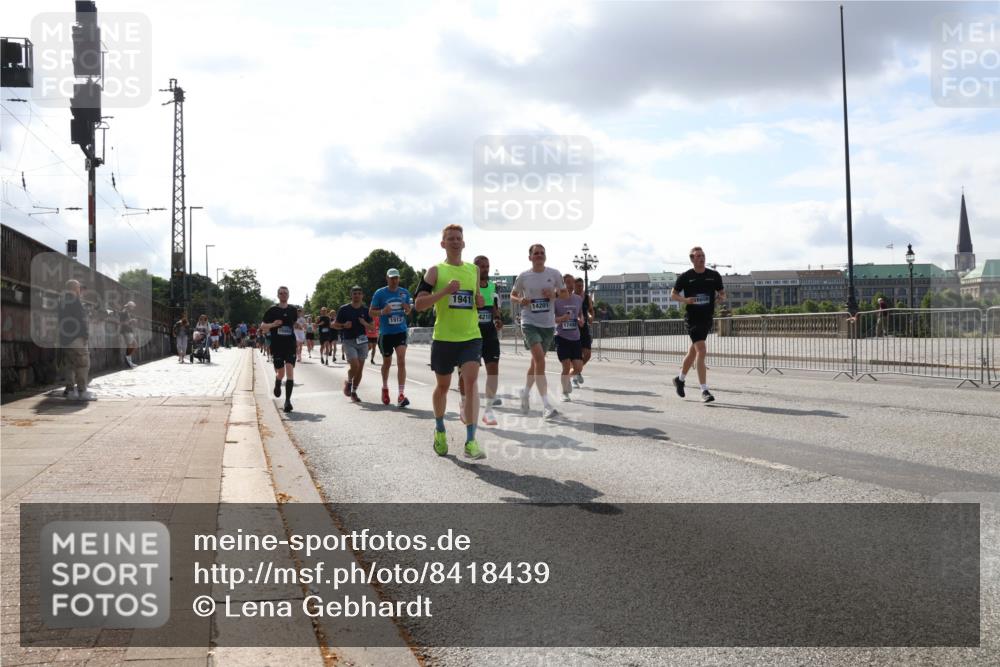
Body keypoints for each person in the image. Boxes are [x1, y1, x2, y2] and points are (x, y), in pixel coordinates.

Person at [414, 224, 485, 459]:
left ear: (463, 243)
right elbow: (419, 304)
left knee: (472, 383)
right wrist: (444, 292)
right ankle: (440, 429)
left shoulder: (473, 270)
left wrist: (478, 300)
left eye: (459, 238)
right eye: (450, 238)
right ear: (443, 244)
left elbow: (475, 299)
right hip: (444, 338)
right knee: (443, 386)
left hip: (470, 336)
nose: (455, 241)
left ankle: (471, 441)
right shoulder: (435, 271)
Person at [510, 243, 563, 419]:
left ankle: (525, 393)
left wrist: (554, 295)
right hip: (529, 322)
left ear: (545, 256)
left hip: (548, 324)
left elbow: (565, 294)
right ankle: (546, 405)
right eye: (536, 253)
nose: (539, 255)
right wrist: (520, 300)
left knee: (535, 363)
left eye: (542, 253)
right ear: (530, 257)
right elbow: (513, 295)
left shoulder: (554, 274)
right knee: (540, 360)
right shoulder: (524, 276)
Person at [671, 246, 726, 403]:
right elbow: (673, 294)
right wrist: (685, 300)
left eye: (703, 255)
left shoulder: (713, 275)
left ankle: (680, 379)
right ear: (692, 259)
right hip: (692, 318)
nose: (701, 258)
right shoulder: (686, 277)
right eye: (698, 256)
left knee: (694, 352)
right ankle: (704, 390)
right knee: (701, 350)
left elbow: (722, 293)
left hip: (707, 318)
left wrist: (721, 297)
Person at [457, 255, 503, 425]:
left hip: (489, 335)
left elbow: (495, 310)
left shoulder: (492, 287)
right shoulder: (467, 286)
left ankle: (489, 411)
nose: (485, 269)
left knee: (493, 370)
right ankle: (463, 403)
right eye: (481, 266)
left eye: (487, 266)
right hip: (470, 336)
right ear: (474, 268)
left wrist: (498, 320)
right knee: (466, 374)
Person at [370, 268, 413, 408]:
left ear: (399, 279)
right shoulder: (380, 293)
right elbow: (371, 312)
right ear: (387, 279)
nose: (394, 280)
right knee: (387, 363)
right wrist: (383, 311)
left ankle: (401, 394)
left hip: (400, 331)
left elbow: (409, 310)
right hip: (386, 333)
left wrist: (408, 308)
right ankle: (385, 387)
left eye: (396, 278)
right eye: (392, 278)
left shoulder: (404, 292)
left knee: (401, 360)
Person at [260, 286, 299, 412]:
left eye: (285, 293)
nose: (283, 295)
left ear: (288, 295)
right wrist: (272, 324)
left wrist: (299, 325)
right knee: (281, 373)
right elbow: (262, 327)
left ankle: (287, 401)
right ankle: (277, 382)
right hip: (277, 345)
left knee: (290, 371)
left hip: (290, 344)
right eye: (281, 293)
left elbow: (294, 323)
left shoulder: (293, 310)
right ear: (278, 295)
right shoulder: (272, 310)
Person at [334, 286, 373, 403]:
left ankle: (354, 392)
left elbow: (372, 327)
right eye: (354, 293)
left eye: (359, 293)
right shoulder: (344, 309)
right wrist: (343, 325)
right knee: (355, 365)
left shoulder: (366, 310)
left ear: (362, 296)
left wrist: (364, 323)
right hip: (349, 341)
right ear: (351, 295)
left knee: (360, 369)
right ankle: (349, 382)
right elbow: (335, 324)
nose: (356, 295)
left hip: (362, 342)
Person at [58, 279, 92, 400]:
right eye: (78, 288)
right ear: (75, 288)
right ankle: (82, 391)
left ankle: (69, 390)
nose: (79, 290)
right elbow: (81, 320)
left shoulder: (61, 301)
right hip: (77, 338)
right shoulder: (75, 301)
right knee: (83, 364)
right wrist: (85, 335)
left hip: (65, 339)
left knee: (69, 365)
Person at [554, 275, 585, 400]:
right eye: (567, 283)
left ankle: (568, 380)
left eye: (572, 282)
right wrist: (562, 319)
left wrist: (580, 320)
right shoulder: (556, 300)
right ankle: (565, 392)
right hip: (562, 337)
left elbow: (579, 313)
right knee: (566, 366)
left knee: (578, 367)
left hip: (575, 337)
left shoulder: (578, 298)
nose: (571, 285)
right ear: (562, 284)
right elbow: (551, 319)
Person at [573, 277, 594, 386]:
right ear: (574, 286)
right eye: (578, 285)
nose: (580, 287)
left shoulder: (586, 297)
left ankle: (577, 371)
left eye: (582, 285)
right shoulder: (570, 297)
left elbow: (590, 310)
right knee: (576, 354)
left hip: (584, 328)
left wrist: (590, 316)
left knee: (587, 354)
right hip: (573, 328)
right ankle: (575, 375)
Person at [119, 300, 138, 369]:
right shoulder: (123, 312)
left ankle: (129, 360)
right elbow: (121, 323)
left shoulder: (127, 312)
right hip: (126, 331)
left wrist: (132, 321)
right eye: (132, 307)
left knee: (135, 345)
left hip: (129, 331)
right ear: (129, 306)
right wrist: (131, 321)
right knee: (130, 345)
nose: (133, 308)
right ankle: (129, 361)